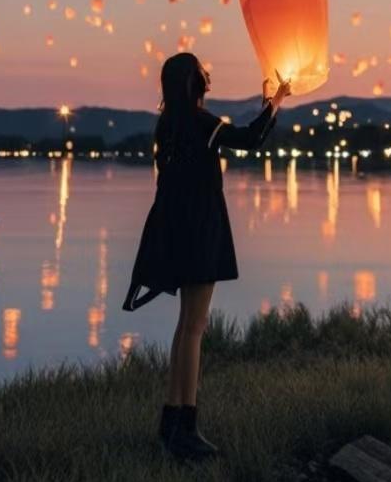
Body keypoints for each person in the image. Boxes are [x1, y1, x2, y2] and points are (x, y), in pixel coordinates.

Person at [122, 51, 290, 460]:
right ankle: (187, 428)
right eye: (203, 71)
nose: (208, 75)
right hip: (200, 230)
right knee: (195, 329)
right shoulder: (200, 123)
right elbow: (250, 140)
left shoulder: (168, 125)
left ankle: (171, 421)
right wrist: (275, 101)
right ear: (194, 83)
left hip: (175, 229)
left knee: (184, 329)